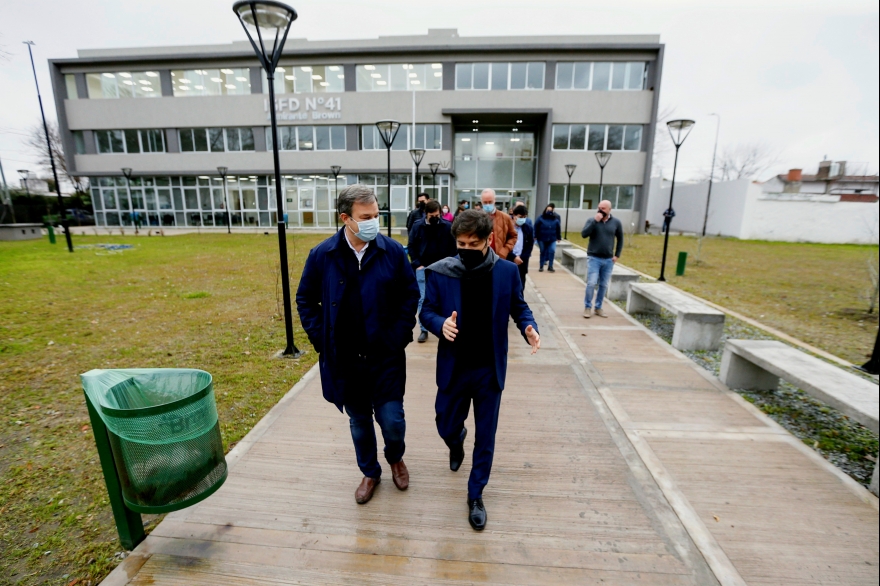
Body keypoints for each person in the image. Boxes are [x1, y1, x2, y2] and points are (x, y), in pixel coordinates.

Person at [296, 184, 420, 505]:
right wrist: (321, 340)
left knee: (393, 421)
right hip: (346, 361)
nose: (373, 222)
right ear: (345, 218)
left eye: (376, 215)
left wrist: (400, 335)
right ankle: (370, 471)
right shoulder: (323, 255)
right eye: (366, 217)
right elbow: (305, 299)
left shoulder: (392, 251)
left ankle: (395, 457)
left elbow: (410, 295)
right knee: (360, 421)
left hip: (386, 357)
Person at [420, 210, 540, 531]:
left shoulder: (505, 272)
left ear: (489, 240)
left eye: (473, 243)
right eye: (460, 242)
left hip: (489, 369)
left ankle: (475, 495)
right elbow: (426, 311)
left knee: (485, 437)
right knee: (444, 423)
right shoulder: (441, 272)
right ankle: (455, 439)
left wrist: (529, 326)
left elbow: (519, 306)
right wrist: (438, 323)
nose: (466, 248)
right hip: (454, 367)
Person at [408, 200, 457, 343]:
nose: (435, 218)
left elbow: (453, 248)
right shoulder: (418, 226)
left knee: (445, 298)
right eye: (432, 215)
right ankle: (423, 329)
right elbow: (411, 246)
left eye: (437, 215)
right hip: (423, 268)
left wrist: (449, 264)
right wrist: (417, 264)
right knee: (423, 299)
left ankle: (446, 325)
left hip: (442, 269)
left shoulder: (447, 227)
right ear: (426, 214)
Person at [580, 199, 624, 318]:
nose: (600, 210)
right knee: (591, 283)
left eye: (603, 208)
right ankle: (587, 307)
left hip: (608, 260)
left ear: (609, 209)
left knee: (603, 285)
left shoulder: (616, 222)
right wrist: (595, 221)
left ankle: (598, 307)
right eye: (599, 207)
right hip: (594, 258)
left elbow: (620, 239)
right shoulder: (592, 220)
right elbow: (584, 234)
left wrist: (617, 255)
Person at [480, 189, 518, 260]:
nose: (488, 204)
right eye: (485, 202)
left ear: (495, 200)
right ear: (481, 201)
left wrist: (505, 250)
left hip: (499, 258)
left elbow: (513, 236)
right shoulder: (476, 217)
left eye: (490, 202)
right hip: (480, 258)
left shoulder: (505, 217)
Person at [509, 204, 534, 290]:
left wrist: (521, 257)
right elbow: (503, 245)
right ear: (514, 216)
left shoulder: (528, 229)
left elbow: (530, 245)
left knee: (520, 287)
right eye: (520, 216)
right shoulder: (507, 228)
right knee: (508, 286)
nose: (522, 219)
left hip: (522, 262)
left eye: (524, 217)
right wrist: (513, 257)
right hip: (509, 260)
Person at [534, 204, 562, 273]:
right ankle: (541, 266)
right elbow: (536, 227)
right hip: (542, 238)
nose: (549, 211)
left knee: (552, 251)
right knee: (542, 251)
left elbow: (558, 228)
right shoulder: (540, 218)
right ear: (545, 210)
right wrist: (535, 236)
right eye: (548, 210)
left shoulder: (555, 219)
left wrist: (558, 237)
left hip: (552, 238)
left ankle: (550, 266)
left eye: (550, 210)